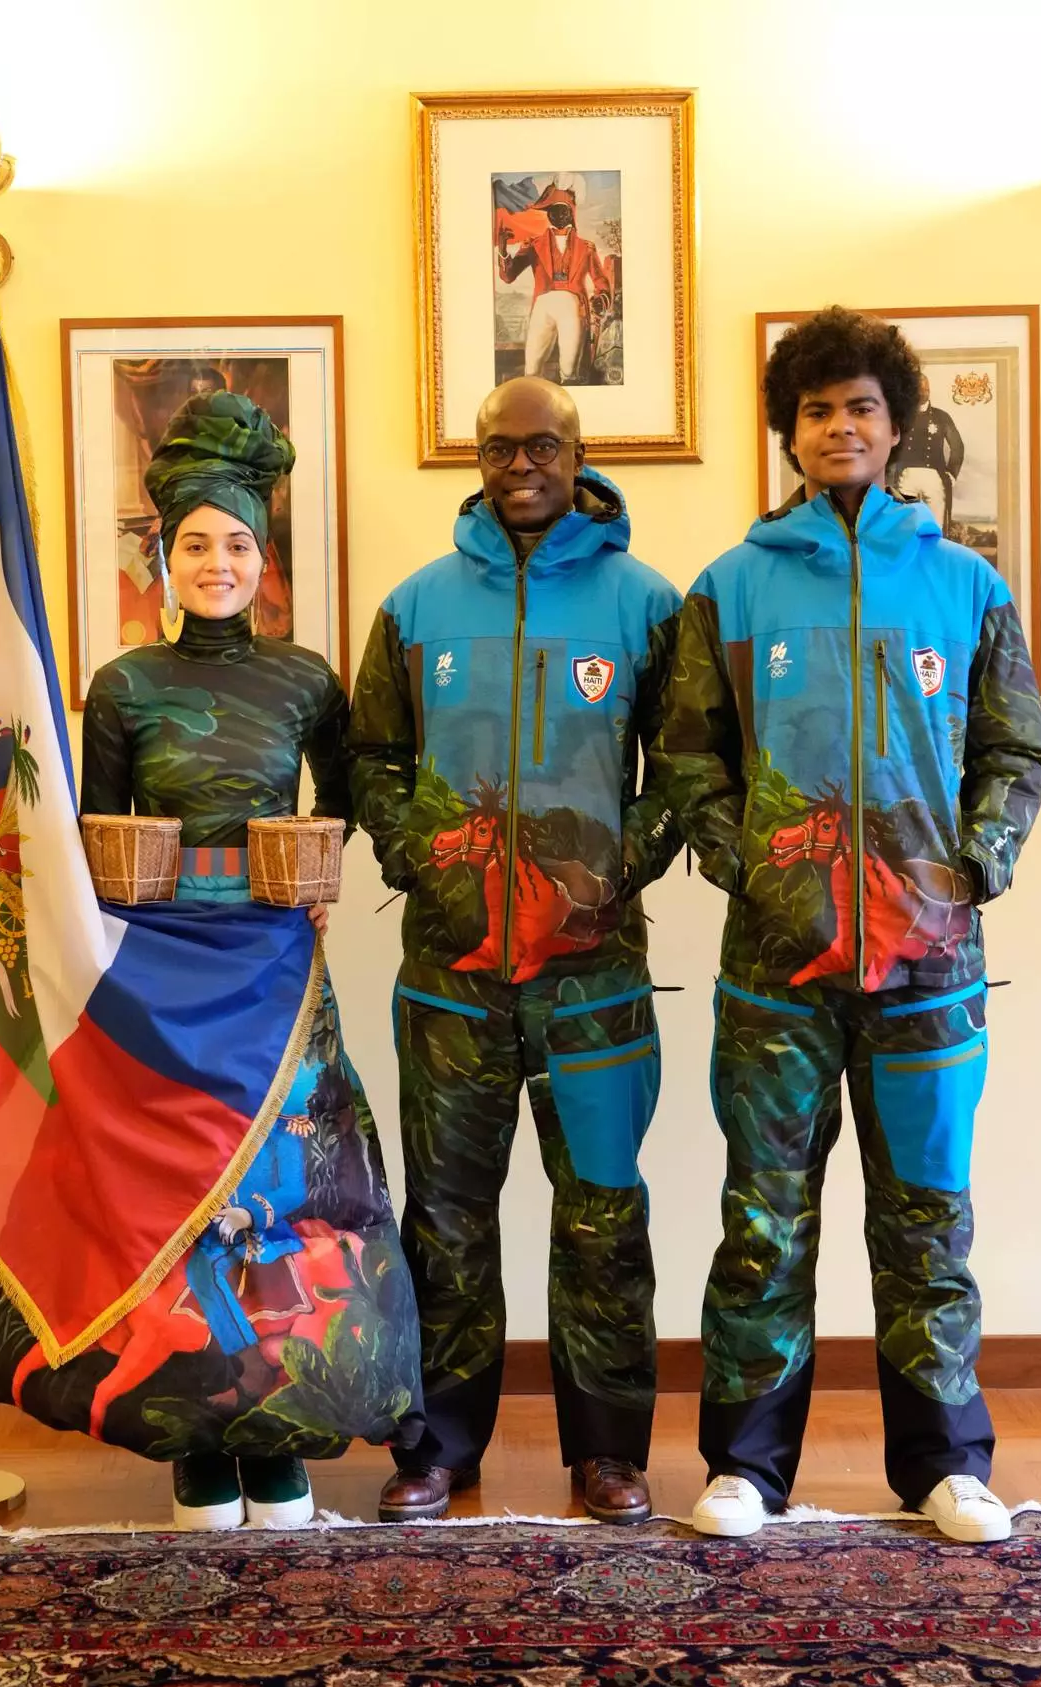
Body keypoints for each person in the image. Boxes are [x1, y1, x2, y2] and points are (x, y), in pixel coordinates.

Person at [0, 391, 423, 1529]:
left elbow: (347, 800)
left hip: (275, 966)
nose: (216, 563)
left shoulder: (309, 678)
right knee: (170, 1200)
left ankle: (281, 1441)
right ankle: (193, 1446)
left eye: (235, 544)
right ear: (161, 559)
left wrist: (315, 887)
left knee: (285, 1202)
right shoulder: (123, 687)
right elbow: (104, 843)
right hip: (160, 972)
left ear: (264, 560)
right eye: (193, 545)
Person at [655, 308, 1041, 1543]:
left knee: (928, 1213)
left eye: (863, 406)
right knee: (762, 1217)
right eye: (819, 408)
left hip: (931, 965)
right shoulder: (732, 585)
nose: (842, 426)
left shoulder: (967, 583)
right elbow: (688, 760)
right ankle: (748, 1467)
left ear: (896, 424)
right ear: (790, 429)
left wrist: (970, 871)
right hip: (777, 968)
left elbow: (1016, 749)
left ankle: (945, 1462)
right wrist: (752, 873)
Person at [348, 376, 681, 1523]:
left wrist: (608, 877)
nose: (522, 464)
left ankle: (607, 1452)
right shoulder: (415, 609)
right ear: (476, 459)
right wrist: (423, 861)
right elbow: (370, 762)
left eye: (544, 445)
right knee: (445, 1216)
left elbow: (684, 775)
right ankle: (438, 1445)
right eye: (500, 447)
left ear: (579, 451)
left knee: (603, 1211)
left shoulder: (647, 605)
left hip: (597, 978)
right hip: (451, 977)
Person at [496, 177, 612, 383]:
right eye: (553, 210)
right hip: (543, 306)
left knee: (569, 371)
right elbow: (508, 276)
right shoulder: (533, 244)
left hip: (573, 308)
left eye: (562, 210)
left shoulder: (586, 247)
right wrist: (504, 251)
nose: (558, 215)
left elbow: (600, 280)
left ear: (571, 212)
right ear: (548, 214)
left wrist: (600, 298)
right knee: (531, 370)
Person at [892, 372, 966, 531]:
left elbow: (957, 446)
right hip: (905, 477)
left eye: (926, 388)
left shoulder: (942, 417)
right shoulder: (900, 417)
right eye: (919, 389)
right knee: (904, 526)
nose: (923, 392)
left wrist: (952, 474)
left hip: (934, 476)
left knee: (936, 526)